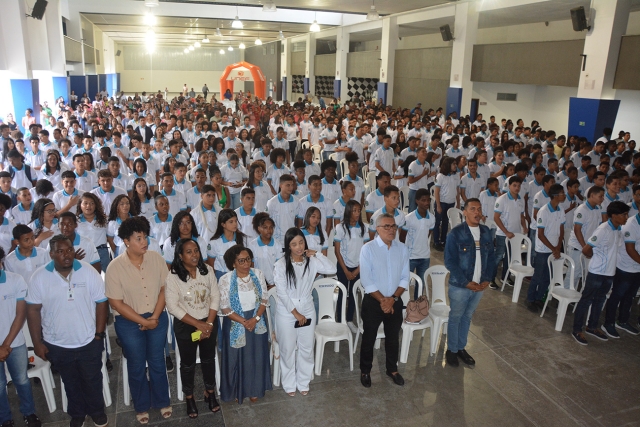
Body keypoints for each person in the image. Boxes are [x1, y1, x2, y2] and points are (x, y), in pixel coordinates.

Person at [26, 235, 108, 427]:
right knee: (70, 381)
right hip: (58, 343)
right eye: (60, 251)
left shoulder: (87, 271)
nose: (66, 255)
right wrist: (37, 342)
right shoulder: (39, 277)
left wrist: (99, 334)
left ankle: (97, 411)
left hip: (88, 340)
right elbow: (33, 310)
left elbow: (102, 302)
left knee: (92, 379)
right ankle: (77, 413)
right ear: (52, 254)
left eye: (69, 250)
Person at [105, 217, 172, 423]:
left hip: (156, 315)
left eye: (145, 237)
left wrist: (153, 318)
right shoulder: (115, 267)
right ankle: (141, 405)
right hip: (128, 322)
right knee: (136, 364)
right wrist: (142, 321)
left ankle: (162, 401)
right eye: (138, 238)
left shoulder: (156, 259)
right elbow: (116, 302)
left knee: (157, 361)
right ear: (126, 241)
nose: (144, 242)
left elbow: (165, 288)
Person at [274, 228, 336, 395]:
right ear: (288, 246)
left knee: (307, 347)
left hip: (307, 307)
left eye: (301, 242)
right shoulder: (280, 265)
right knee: (287, 349)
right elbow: (282, 292)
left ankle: (303, 382)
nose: (299, 247)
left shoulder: (312, 261)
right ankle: (289, 384)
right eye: (294, 244)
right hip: (287, 311)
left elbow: (331, 269)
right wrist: (296, 313)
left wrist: (317, 254)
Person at [166, 239, 221, 417]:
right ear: (180, 256)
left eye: (196, 250)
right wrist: (199, 325)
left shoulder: (207, 270)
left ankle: (210, 392)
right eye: (189, 252)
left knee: (208, 359)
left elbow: (215, 297)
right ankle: (189, 396)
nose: (194, 255)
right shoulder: (173, 276)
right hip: (187, 326)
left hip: (209, 322)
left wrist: (209, 324)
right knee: (188, 364)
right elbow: (173, 307)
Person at [359, 213, 409, 388]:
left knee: (393, 337)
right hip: (373, 301)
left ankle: (392, 369)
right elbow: (366, 280)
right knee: (369, 337)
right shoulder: (368, 249)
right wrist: (383, 300)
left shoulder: (402, 249)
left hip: (395, 300)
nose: (391, 230)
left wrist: (393, 299)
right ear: (377, 229)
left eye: (393, 226)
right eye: (386, 226)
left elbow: (404, 278)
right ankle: (365, 370)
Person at [444, 198, 494, 367]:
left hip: (479, 286)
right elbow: (450, 261)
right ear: (464, 212)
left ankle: (461, 348)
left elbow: (492, 258)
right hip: (460, 286)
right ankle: (451, 350)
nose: (476, 212)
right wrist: (466, 282)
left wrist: (487, 278)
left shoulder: (486, 231)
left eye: (479, 209)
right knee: (456, 317)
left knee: (467, 317)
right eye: (472, 209)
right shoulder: (456, 233)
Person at [218, 245, 272, 403]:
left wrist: (254, 319)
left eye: (248, 259)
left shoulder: (258, 274)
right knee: (236, 358)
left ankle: (255, 388)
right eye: (241, 261)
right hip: (235, 321)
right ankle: (237, 390)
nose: (246, 263)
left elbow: (264, 299)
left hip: (257, 320)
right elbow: (225, 307)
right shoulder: (226, 279)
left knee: (256, 357)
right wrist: (244, 322)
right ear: (233, 263)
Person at [572, 201, 630, 345]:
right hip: (597, 273)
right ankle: (577, 329)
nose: (627, 217)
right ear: (614, 215)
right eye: (624, 214)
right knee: (586, 300)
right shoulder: (603, 229)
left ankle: (592, 326)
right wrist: (595, 258)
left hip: (609, 273)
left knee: (599, 301)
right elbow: (586, 249)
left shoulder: (617, 230)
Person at [0, 246, 43, 427]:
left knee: (22, 380)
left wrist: (5, 344)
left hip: (14, 342)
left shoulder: (15, 280)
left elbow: (20, 314)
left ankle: (29, 412)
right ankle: (4, 418)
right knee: (0, 386)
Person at [601, 208, 640, 337]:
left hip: (637, 267)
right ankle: (608, 324)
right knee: (617, 296)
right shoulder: (631, 224)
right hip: (625, 267)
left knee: (630, 296)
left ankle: (623, 321)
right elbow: (630, 249)